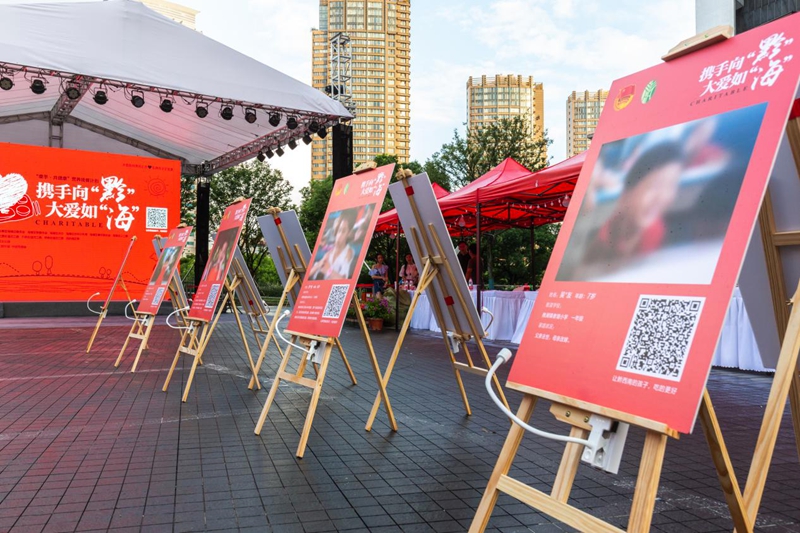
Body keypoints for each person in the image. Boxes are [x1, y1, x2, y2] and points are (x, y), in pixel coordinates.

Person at [581, 141, 684, 273]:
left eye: (671, 185)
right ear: (629, 191)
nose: (662, 196)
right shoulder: (602, 230)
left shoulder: (656, 230)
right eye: (656, 185)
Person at [308, 210, 358, 280]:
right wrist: (319, 265)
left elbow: (343, 281)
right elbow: (307, 275)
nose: (339, 235)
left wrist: (328, 270)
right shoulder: (329, 252)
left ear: (348, 233)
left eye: (343, 231)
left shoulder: (348, 252)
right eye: (338, 230)